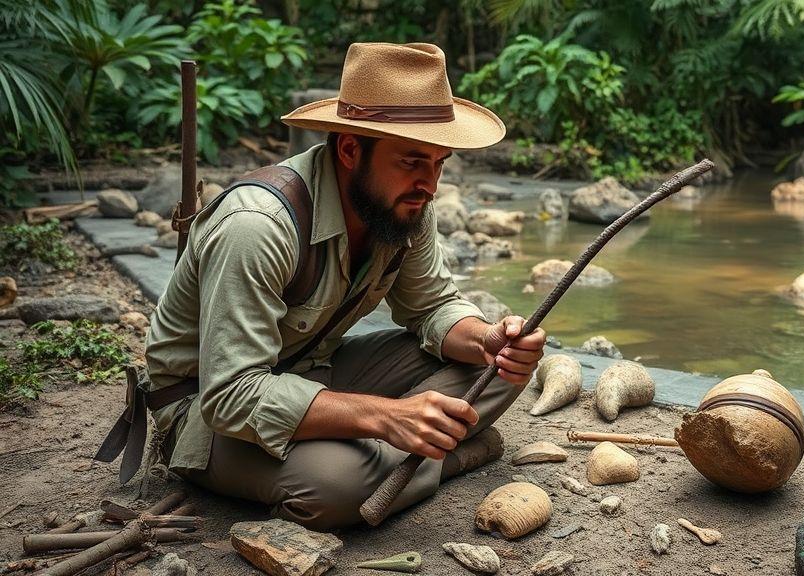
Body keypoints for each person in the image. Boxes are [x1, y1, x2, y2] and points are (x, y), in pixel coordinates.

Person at [143, 42, 545, 530]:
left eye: (440, 163)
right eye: (412, 161)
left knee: (498, 368)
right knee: (337, 485)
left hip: (313, 371)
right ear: (351, 149)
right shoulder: (257, 225)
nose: (430, 185)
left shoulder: (405, 205)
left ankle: (394, 460)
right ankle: (442, 458)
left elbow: (432, 306)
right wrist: (386, 417)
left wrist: (488, 340)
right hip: (206, 410)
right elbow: (230, 394)